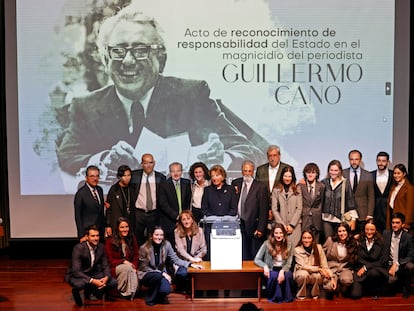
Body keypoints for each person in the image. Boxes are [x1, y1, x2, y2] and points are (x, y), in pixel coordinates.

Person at [55, 6, 266, 181]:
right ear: (105, 59)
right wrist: (102, 161)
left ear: (161, 59)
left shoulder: (191, 95)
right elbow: (66, 157)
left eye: (140, 50)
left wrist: (221, 159)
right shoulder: (85, 106)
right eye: (118, 51)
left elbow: (248, 151)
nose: (128, 61)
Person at [138, 226, 201, 306]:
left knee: (166, 290)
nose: (159, 237)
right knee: (157, 276)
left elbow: (176, 259)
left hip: (161, 275)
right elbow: (144, 267)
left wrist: (190, 264)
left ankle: (157, 293)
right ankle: (150, 300)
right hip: (147, 274)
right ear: (151, 236)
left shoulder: (166, 245)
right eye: (156, 235)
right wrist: (162, 273)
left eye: (161, 235)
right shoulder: (144, 248)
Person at [65, 225, 117, 307]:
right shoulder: (78, 248)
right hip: (78, 275)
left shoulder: (101, 247)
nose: (96, 238)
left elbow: (105, 265)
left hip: (92, 272)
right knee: (79, 284)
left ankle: (91, 292)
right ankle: (76, 292)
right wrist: (93, 281)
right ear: (87, 237)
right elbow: (76, 271)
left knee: (113, 282)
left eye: (97, 236)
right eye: (93, 236)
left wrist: (106, 277)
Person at [231, 160, 269, 260]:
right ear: (242, 171)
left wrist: (261, 228)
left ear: (253, 172)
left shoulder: (260, 187)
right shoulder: (235, 183)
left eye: (249, 171)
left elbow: (264, 209)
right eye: (245, 171)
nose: (247, 173)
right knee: (240, 253)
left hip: (253, 225)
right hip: (238, 223)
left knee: (253, 254)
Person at [201, 164, 238, 258]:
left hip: (227, 226)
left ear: (223, 176)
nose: (214, 178)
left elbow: (234, 209)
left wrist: (223, 219)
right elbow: (204, 208)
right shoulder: (207, 190)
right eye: (212, 176)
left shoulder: (230, 189)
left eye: (217, 175)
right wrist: (214, 218)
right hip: (211, 226)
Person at [131, 153, 166, 246]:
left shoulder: (161, 177)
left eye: (150, 162)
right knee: (137, 239)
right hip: (138, 213)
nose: (148, 165)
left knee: (154, 240)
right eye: (146, 163)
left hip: (154, 214)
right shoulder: (134, 175)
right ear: (142, 164)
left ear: (154, 163)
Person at [254, 223, 294, 303]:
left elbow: (289, 263)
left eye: (281, 233)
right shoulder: (267, 243)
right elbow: (257, 259)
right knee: (274, 275)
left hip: (283, 268)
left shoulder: (289, 244)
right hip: (271, 268)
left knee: (288, 275)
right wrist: (265, 266)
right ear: (273, 234)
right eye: (276, 233)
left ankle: (287, 298)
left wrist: (282, 271)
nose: (279, 235)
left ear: (284, 234)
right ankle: (276, 298)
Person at [351, 220, 388, 299]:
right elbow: (358, 258)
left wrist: (366, 267)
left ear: (376, 230)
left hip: (376, 270)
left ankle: (375, 291)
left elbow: (382, 261)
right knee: (355, 295)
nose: (369, 232)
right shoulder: (359, 240)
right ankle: (365, 289)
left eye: (372, 230)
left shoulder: (382, 242)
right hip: (360, 270)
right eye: (367, 229)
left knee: (373, 273)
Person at [293, 230, 335, 300]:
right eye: (304, 238)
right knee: (304, 274)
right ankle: (301, 296)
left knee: (317, 275)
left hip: (315, 274)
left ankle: (315, 295)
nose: (306, 240)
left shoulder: (318, 248)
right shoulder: (297, 250)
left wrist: (332, 277)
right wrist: (318, 269)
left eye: (309, 238)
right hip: (301, 272)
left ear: (312, 239)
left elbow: (324, 265)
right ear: (301, 239)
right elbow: (303, 266)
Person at [105, 217, 139, 299]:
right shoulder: (109, 241)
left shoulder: (132, 238)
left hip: (130, 267)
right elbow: (110, 261)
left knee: (130, 269)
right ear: (117, 228)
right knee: (127, 268)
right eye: (122, 227)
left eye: (126, 227)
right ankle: (123, 291)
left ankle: (128, 292)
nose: (125, 229)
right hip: (114, 267)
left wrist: (134, 266)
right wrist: (123, 261)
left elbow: (136, 256)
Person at [159, 162, 192, 246]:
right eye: (173, 171)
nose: (176, 173)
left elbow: (188, 201)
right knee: (171, 246)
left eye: (178, 171)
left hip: (184, 221)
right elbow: (163, 204)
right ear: (170, 172)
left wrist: (184, 217)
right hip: (169, 221)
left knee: (184, 245)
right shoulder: (164, 184)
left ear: (181, 172)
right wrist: (176, 216)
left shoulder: (187, 183)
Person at [321, 160, 357, 238]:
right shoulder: (324, 183)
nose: (333, 172)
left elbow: (350, 201)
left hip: (340, 219)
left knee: (340, 243)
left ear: (340, 171)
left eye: (336, 170)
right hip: (326, 219)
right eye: (331, 170)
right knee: (329, 242)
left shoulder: (345, 183)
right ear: (328, 170)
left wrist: (353, 219)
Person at [342, 150, 375, 233]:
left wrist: (370, 213)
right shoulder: (342, 173)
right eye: (352, 159)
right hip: (347, 213)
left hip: (363, 213)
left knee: (360, 238)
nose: (354, 162)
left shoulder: (368, 175)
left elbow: (371, 196)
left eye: (356, 159)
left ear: (360, 160)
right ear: (349, 160)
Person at [74, 165, 110, 241]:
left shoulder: (100, 190)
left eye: (97, 176)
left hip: (100, 232)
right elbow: (78, 217)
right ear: (86, 178)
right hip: (87, 234)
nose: (95, 179)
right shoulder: (81, 194)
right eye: (92, 176)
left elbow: (100, 212)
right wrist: (81, 235)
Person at [174, 210, 207, 291]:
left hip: (197, 259)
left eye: (188, 219)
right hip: (183, 260)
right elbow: (180, 250)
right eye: (183, 219)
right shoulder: (177, 232)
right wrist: (191, 260)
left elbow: (204, 249)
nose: (186, 221)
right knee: (182, 274)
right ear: (181, 221)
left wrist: (196, 259)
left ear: (192, 220)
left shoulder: (200, 231)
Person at [383, 212, 414, 298]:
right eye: (393, 223)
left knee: (410, 266)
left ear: (403, 224)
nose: (394, 225)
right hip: (389, 264)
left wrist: (397, 263)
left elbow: (411, 256)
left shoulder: (408, 237)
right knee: (390, 284)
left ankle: (406, 288)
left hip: (402, 264)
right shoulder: (386, 234)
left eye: (397, 223)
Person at [323, 222, 358, 297]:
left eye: (344, 231)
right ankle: (335, 286)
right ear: (336, 232)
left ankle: (342, 286)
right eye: (340, 231)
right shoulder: (330, 240)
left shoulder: (353, 242)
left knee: (347, 280)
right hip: (331, 269)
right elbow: (322, 254)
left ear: (348, 232)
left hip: (345, 268)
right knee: (329, 287)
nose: (342, 233)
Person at [271, 166, 303, 247]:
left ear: (293, 177)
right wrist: (282, 225)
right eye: (285, 176)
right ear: (282, 176)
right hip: (280, 227)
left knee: (294, 250)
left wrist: (292, 225)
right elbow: (274, 209)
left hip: (295, 227)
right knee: (282, 250)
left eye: (289, 176)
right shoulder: (276, 190)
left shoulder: (298, 189)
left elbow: (299, 208)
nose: (287, 178)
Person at [297, 163, 325, 243]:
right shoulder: (300, 186)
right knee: (303, 241)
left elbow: (323, 202)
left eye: (313, 172)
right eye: (308, 172)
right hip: (304, 218)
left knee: (316, 243)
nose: (310, 174)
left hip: (317, 219)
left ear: (317, 174)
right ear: (305, 174)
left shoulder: (322, 186)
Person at [106, 165, 137, 236]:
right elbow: (109, 209)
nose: (127, 178)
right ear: (119, 177)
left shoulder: (133, 188)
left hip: (131, 223)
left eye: (129, 175)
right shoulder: (114, 189)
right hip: (117, 223)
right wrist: (108, 225)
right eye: (124, 176)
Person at [386, 163, 414, 235]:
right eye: (395, 173)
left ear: (404, 174)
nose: (396, 175)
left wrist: (406, 224)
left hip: (402, 223)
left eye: (399, 173)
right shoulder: (393, 187)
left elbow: (410, 209)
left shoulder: (409, 188)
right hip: (393, 220)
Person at [371, 151, 393, 234]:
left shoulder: (393, 175)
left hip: (389, 212)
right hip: (375, 212)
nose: (381, 163)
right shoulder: (370, 175)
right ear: (376, 161)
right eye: (379, 160)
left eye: (383, 161)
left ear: (387, 162)